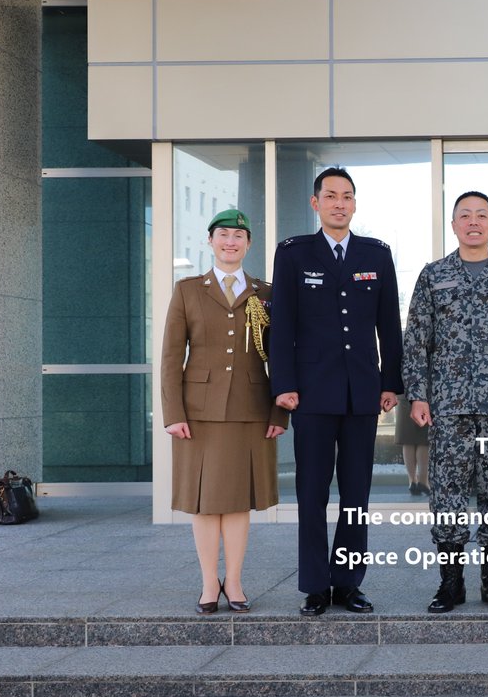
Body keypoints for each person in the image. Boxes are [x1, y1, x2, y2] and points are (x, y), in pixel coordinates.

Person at [269, 167, 403, 617]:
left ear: (355, 204)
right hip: (310, 394)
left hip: (362, 393)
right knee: (311, 492)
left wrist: (391, 382)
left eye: (346, 196)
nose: (339, 203)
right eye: (330, 196)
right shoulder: (293, 254)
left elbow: (389, 325)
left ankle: (347, 583)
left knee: (356, 494)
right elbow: (282, 324)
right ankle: (314, 586)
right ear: (316, 203)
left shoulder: (376, 254)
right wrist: (284, 384)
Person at [402, 191, 488, 613]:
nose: (473, 222)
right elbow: (416, 340)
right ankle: (451, 584)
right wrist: (417, 394)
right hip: (447, 406)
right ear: (454, 225)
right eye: (465, 215)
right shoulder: (433, 275)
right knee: (447, 495)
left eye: (482, 215)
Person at [162, 209, 288, 614]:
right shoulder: (187, 290)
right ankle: (207, 582)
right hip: (197, 413)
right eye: (223, 235)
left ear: (248, 244)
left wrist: (279, 413)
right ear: (210, 241)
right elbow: (171, 357)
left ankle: (233, 581)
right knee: (203, 501)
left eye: (238, 236)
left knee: (236, 500)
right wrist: (173, 413)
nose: (230, 242)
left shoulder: (267, 293)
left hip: (251, 410)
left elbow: (281, 356)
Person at [395, 400, 430, 495]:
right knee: (423, 438)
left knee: (408, 438)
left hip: (405, 395)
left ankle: (412, 481)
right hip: (424, 395)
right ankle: (423, 481)